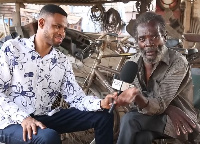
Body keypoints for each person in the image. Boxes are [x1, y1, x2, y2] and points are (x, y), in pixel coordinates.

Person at [0, 4, 116, 144]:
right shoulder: (13, 49)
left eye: (64, 28)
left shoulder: (61, 61)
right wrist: (23, 118)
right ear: (41, 23)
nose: (62, 32)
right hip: (11, 121)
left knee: (103, 117)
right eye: (57, 26)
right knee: (48, 138)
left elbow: (76, 97)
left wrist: (100, 103)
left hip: (43, 117)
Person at [115, 12, 200, 144]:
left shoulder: (178, 63)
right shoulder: (133, 62)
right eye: (142, 39)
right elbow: (124, 92)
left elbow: (159, 104)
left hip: (179, 122)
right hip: (149, 117)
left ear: (164, 37)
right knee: (141, 138)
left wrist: (138, 97)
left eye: (154, 36)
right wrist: (169, 108)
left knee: (130, 119)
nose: (148, 43)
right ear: (137, 42)